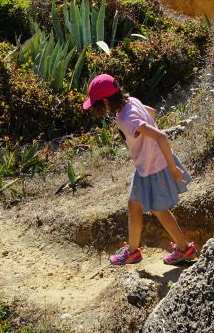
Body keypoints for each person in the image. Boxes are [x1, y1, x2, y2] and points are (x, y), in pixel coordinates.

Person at [82, 73, 198, 266]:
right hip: (146, 165)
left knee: (157, 209)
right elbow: (151, 112)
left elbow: (161, 137)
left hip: (154, 167)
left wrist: (173, 168)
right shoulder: (131, 102)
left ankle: (183, 249)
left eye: (96, 105)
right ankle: (136, 251)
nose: (97, 109)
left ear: (105, 101)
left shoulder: (126, 118)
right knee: (135, 205)